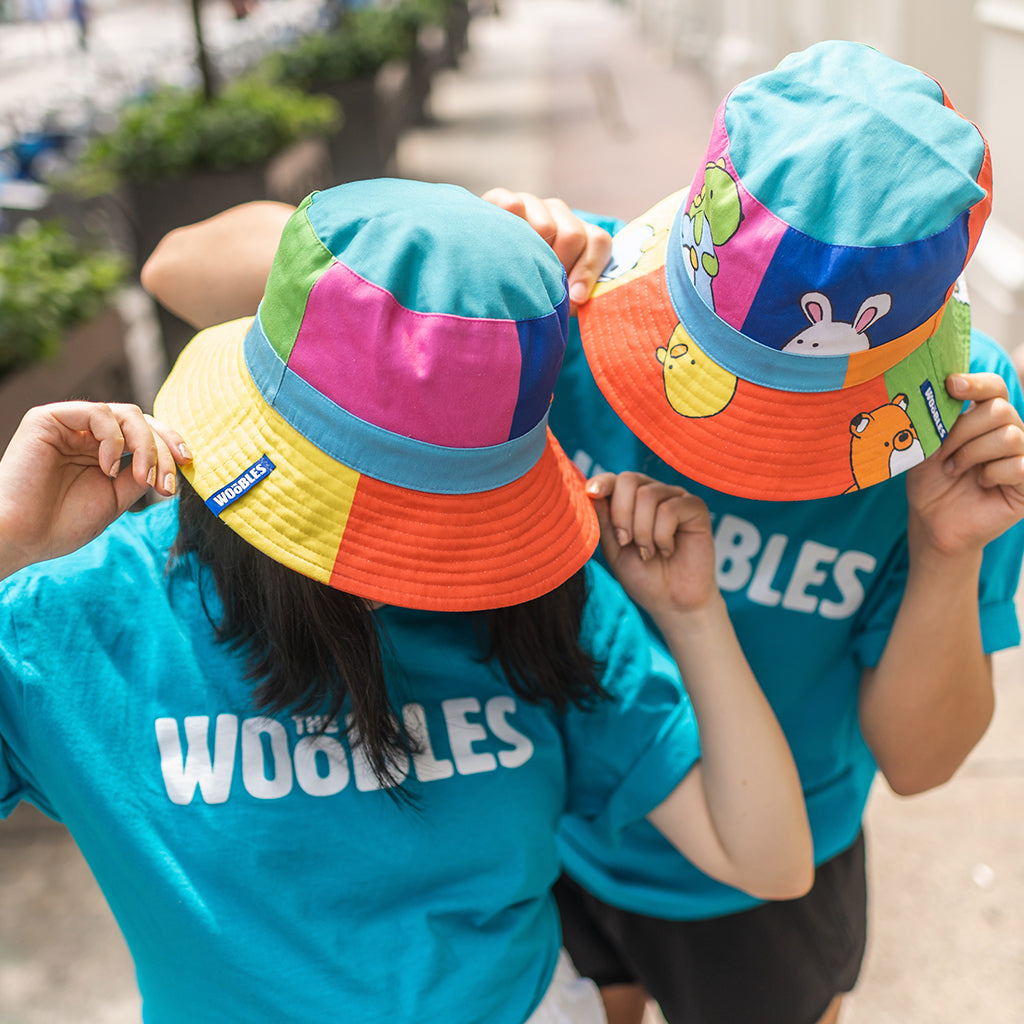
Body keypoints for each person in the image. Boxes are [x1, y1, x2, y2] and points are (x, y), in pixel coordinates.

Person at [139, 42, 1024, 1024]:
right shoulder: (569, 291)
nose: (731, 446)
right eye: (710, 371)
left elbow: (919, 762)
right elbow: (178, 270)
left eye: (790, 415)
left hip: (768, 862)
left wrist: (947, 554)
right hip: (547, 823)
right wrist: (450, 250)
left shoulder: (954, 422)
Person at [0, 179, 813, 1023]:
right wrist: (7, 541)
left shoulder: (541, 603)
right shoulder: (80, 619)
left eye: (448, 522)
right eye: (385, 520)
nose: (410, 570)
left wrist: (691, 615)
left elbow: (768, 860)